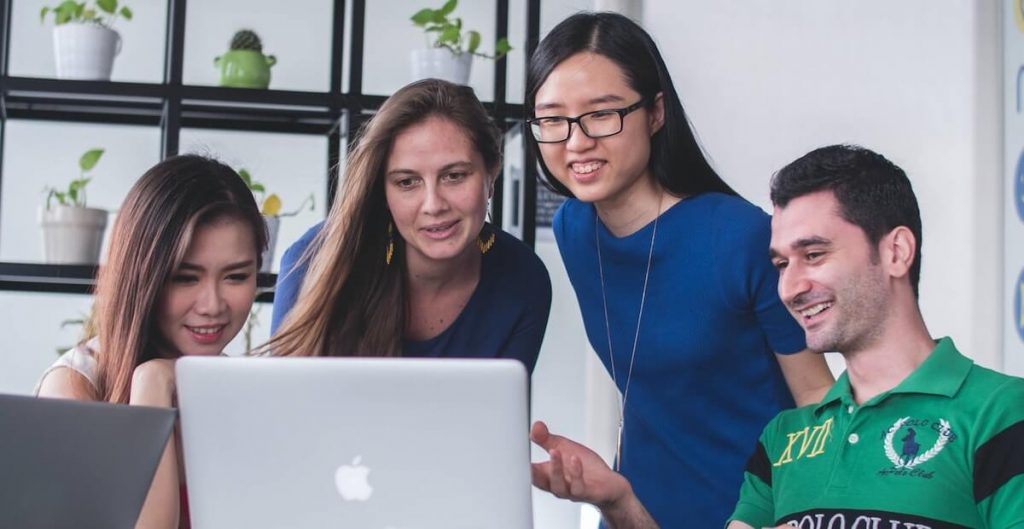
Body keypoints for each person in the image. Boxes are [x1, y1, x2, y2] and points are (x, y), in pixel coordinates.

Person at [533, 144, 1024, 528]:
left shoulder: (1001, 413)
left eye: (814, 255)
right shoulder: (783, 439)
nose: (790, 287)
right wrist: (622, 502)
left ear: (896, 251)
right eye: (781, 264)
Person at [524, 11, 833, 526]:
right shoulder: (574, 230)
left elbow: (816, 398)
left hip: (750, 513)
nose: (576, 141)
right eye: (553, 119)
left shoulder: (739, 236)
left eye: (602, 114)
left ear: (656, 113)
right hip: (633, 511)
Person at [35, 155, 268, 529]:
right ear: (142, 277)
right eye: (185, 278)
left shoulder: (239, 387)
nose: (212, 305)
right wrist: (152, 385)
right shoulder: (75, 387)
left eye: (236, 276)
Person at [267, 79, 551, 367]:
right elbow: (284, 406)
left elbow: (501, 409)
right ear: (383, 191)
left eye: (454, 176)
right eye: (407, 182)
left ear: (491, 174)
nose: (433, 205)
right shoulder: (313, 261)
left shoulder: (523, 279)